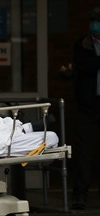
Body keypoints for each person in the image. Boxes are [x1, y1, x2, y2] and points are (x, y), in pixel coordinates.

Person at [72, 7, 100, 210]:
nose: (95, 25)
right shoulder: (83, 44)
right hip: (88, 105)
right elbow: (85, 67)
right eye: (93, 21)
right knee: (83, 152)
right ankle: (80, 194)